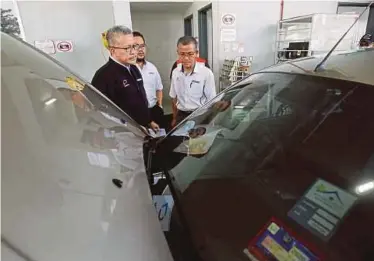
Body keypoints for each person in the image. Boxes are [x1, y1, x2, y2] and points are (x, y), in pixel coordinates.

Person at [91, 25, 159, 131]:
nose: (133, 52)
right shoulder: (103, 76)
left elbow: (139, 100)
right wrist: (131, 128)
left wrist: (148, 121)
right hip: (123, 135)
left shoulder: (133, 68)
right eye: (127, 48)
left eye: (134, 46)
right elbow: (100, 112)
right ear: (112, 50)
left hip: (143, 130)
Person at [169, 36, 216, 127]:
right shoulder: (176, 72)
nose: (186, 58)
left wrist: (210, 123)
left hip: (200, 115)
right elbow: (173, 97)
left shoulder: (206, 73)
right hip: (181, 115)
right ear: (178, 53)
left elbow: (212, 101)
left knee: (198, 141)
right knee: (181, 140)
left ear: (196, 53)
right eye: (182, 54)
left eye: (190, 54)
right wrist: (174, 118)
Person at [133, 31, 165, 128]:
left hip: (153, 111)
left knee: (158, 138)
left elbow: (159, 89)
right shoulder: (128, 69)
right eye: (136, 46)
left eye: (142, 46)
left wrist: (159, 105)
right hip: (136, 115)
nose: (140, 49)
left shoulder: (152, 68)